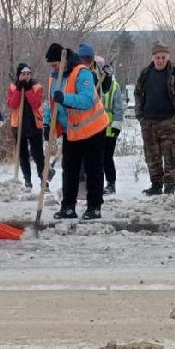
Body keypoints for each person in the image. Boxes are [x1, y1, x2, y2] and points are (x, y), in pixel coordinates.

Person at [42, 43, 109, 220]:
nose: (54, 69)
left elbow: (87, 99)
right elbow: (51, 102)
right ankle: (68, 207)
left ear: (64, 61)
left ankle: (94, 207)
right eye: (52, 66)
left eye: (56, 65)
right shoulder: (54, 77)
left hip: (93, 128)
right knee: (69, 169)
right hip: (71, 130)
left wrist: (64, 98)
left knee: (93, 169)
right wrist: (47, 124)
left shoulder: (82, 72)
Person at [134, 41, 175, 195]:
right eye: (157, 57)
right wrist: (140, 116)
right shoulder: (145, 73)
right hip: (149, 122)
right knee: (152, 157)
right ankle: (156, 185)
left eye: (163, 57)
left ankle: (169, 189)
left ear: (168, 57)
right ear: (153, 58)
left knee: (170, 158)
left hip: (169, 123)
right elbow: (138, 94)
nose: (160, 60)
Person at [7, 63, 45, 189]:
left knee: (38, 154)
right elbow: (13, 104)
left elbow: (36, 104)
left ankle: (43, 179)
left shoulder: (36, 86)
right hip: (18, 125)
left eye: (28, 74)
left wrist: (28, 89)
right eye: (23, 74)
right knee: (23, 154)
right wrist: (19, 89)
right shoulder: (13, 87)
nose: (26, 76)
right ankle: (27, 180)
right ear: (19, 75)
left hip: (34, 124)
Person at [97, 55, 125, 194]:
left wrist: (116, 125)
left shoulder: (114, 86)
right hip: (94, 130)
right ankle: (96, 183)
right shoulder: (93, 84)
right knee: (95, 159)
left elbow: (118, 108)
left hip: (109, 130)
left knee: (107, 158)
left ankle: (111, 183)